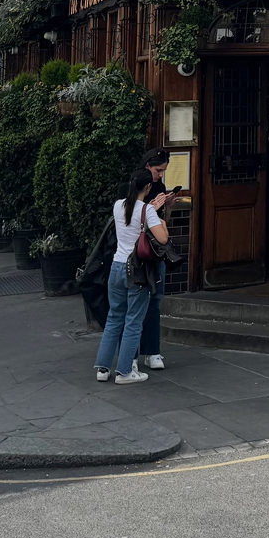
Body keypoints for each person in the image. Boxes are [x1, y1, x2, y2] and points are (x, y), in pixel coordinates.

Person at [94, 167, 173, 384]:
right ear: (148, 187)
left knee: (114, 318)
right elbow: (163, 239)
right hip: (136, 270)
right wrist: (161, 219)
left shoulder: (118, 205)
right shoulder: (146, 210)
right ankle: (125, 371)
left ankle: (102, 369)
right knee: (133, 321)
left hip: (117, 268)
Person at [136, 148, 172, 371]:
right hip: (137, 252)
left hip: (156, 249)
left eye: (163, 171)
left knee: (156, 299)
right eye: (159, 170)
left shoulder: (159, 187)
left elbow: (161, 222)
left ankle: (153, 351)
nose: (160, 176)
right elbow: (128, 217)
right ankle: (133, 353)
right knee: (135, 302)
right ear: (147, 166)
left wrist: (167, 208)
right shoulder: (134, 187)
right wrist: (152, 209)